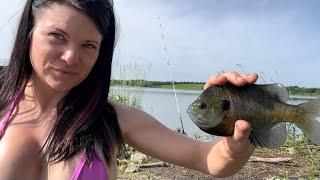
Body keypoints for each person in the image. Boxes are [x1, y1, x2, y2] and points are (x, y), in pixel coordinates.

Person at [0, 0, 257, 179]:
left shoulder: (113, 119)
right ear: (29, 32)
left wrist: (232, 142)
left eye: (88, 45)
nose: (70, 57)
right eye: (57, 36)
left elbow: (205, 157)